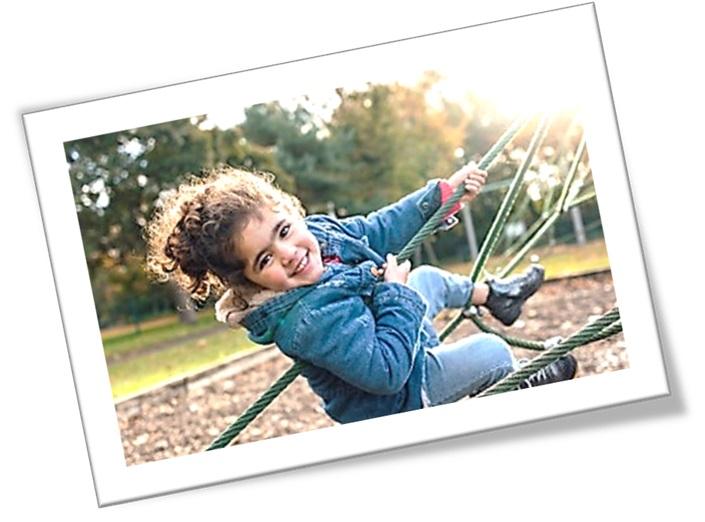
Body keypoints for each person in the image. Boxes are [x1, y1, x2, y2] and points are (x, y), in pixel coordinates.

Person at [146, 165, 577, 424]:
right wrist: (396, 297)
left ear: (291, 211)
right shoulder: (304, 320)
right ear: (249, 282)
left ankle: (496, 296)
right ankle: (520, 383)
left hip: (399, 338)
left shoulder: (320, 233)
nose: (290, 253)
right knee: (490, 351)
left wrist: (439, 199)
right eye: (264, 260)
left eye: (284, 231)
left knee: (426, 278)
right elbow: (384, 371)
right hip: (400, 398)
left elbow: (375, 228)